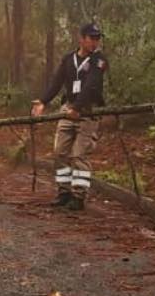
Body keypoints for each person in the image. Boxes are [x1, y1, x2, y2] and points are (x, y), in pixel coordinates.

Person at [32, 23, 108, 210]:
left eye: (98, 38)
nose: (95, 42)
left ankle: (78, 196)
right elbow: (57, 82)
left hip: (88, 111)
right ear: (81, 38)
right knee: (60, 153)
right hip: (68, 110)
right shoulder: (68, 59)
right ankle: (63, 192)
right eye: (92, 38)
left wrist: (78, 107)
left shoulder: (99, 60)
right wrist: (43, 101)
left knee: (79, 155)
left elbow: (91, 85)